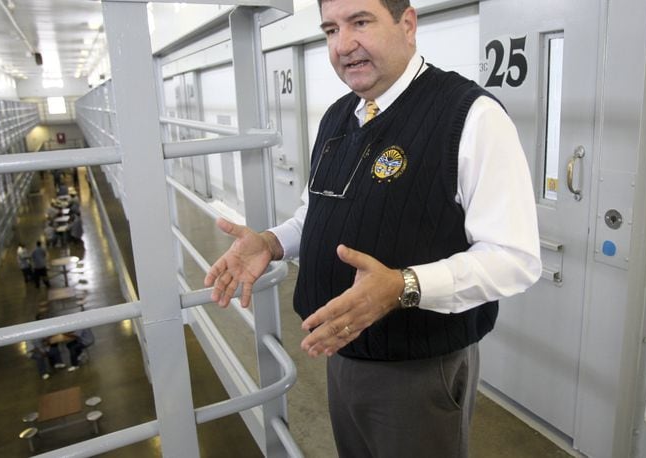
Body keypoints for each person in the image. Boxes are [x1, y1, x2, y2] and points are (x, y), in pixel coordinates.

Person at [204, 0, 542, 455]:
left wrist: (403, 286)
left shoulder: (470, 116)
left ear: (407, 24)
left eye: (360, 22)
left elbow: (514, 258)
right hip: (340, 351)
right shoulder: (339, 117)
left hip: (417, 369)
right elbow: (317, 212)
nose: (343, 45)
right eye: (330, 30)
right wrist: (271, 242)